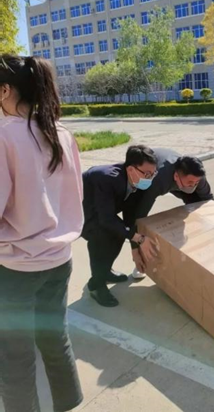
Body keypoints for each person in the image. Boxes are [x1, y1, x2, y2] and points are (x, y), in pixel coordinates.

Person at [0, 55, 84, 412]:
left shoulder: (4, 135)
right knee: (54, 338)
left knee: (15, 358)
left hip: (15, 268)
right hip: (59, 260)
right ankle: (69, 404)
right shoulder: (62, 133)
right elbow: (74, 197)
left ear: (5, 90)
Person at [81, 145, 159, 307]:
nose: (150, 178)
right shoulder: (107, 179)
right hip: (79, 212)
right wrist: (138, 238)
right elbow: (105, 219)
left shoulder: (136, 181)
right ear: (131, 169)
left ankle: (105, 271)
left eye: (153, 173)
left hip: (101, 211)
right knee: (101, 238)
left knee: (118, 233)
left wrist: (131, 236)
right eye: (147, 174)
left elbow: (129, 214)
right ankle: (96, 285)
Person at [123, 148, 214, 279]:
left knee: (197, 208)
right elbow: (136, 216)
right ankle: (142, 261)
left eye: (196, 182)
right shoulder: (156, 181)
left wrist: (211, 229)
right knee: (139, 220)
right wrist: (135, 251)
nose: (194, 185)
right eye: (190, 183)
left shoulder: (197, 176)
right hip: (160, 176)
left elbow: (208, 201)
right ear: (176, 177)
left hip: (179, 181)